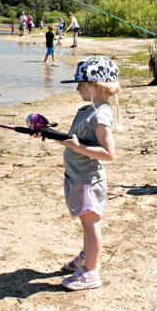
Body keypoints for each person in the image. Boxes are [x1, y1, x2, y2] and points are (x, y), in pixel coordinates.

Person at [49, 56, 120, 290]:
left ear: (95, 86)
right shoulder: (87, 110)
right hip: (77, 177)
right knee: (86, 225)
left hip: (88, 181)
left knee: (91, 226)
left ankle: (91, 272)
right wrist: (48, 132)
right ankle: (87, 254)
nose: (77, 87)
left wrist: (76, 147)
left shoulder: (100, 116)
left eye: (80, 83)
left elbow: (108, 153)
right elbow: (76, 139)